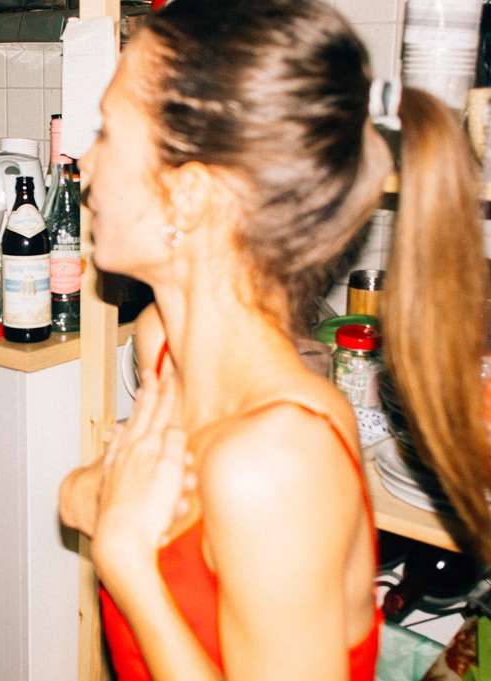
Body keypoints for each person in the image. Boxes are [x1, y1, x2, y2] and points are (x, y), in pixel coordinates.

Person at [59, 0, 490, 679]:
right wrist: (100, 497)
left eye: (108, 133)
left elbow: (118, 521)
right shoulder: (162, 346)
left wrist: (126, 563)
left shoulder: (279, 458)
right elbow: (79, 494)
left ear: (189, 198)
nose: (81, 162)